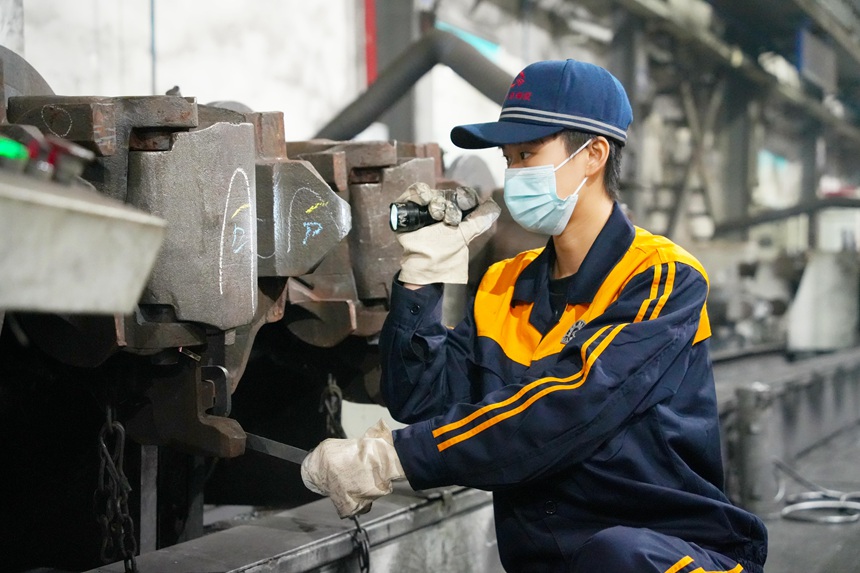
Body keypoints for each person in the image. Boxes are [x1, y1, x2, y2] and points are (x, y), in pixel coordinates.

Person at [301, 59, 768, 572]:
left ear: (593, 154)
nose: (514, 175)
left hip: (665, 556)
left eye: (528, 154)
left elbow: (568, 406)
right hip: (551, 561)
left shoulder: (662, 278)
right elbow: (420, 398)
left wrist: (393, 458)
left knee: (616, 555)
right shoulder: (506, 284)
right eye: (508, 159)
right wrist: (421, 277)